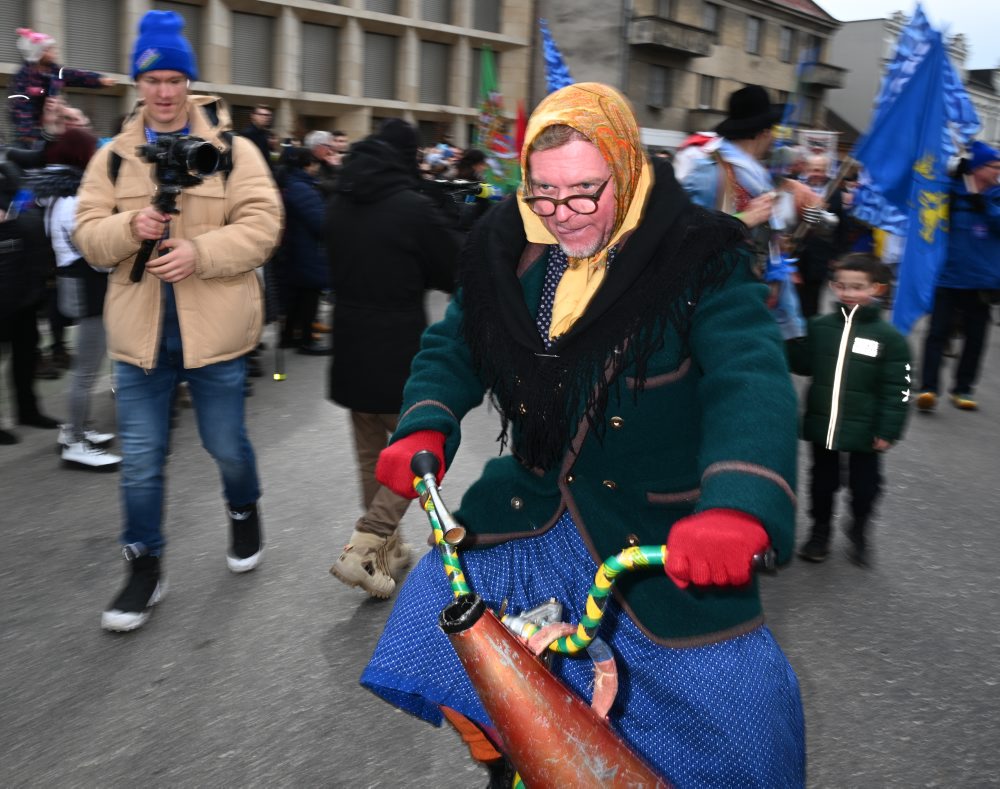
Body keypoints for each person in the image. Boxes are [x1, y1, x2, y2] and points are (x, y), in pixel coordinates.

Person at [360, 83, 804, 786]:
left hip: (658, 528)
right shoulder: (506, 249)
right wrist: (426, 421)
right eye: (543, 193)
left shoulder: (700, 256)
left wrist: (738, 503)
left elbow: (750, 378)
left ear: (626, 168)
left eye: (583, 193)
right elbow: (455, 345)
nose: (560, 216)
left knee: (739, 720)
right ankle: (512, 750)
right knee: (449, 630)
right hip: (534, 516)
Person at [73, 10, 282, 632]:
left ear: (189, 83)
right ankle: (144, 566)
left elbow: (263, 226)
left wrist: (201, 253)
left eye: (174, 78)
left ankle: (243, 509)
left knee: (226, 445)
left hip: (214, 333)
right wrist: (126, 227)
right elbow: (86, 235)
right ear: (138, 84)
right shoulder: (111, 158)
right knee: (141, 458)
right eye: (152, 79)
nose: (164, 91)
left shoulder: (233, 151)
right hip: (138, 340)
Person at [327, 119, 460, 599]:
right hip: (399, 345)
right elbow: (454, 269)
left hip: (349, 343)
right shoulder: (411, 207)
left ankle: (387, 551)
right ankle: (365, 547)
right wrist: (450, 216)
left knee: (371, 456)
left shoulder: (339, 198)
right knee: (417, 452)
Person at [682, 85, 835, 341]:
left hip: (759, 301)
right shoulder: (710, 172)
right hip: (724, 308)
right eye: (773, 130)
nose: (775, 137)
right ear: (763, 132)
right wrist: (744, 220)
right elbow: (685, 235)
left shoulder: (757, 175)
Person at [788, 255, 911, 566]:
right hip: (824, 424)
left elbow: (898, 389)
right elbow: (802, 364)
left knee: (865, 486)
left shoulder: (890, 339)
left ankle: (859, 526)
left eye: (858, 287)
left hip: (866, 430)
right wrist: (784, 340)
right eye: (842, 285)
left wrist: (888, 430)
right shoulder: (819, 327)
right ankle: (820, 531)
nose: (848, 293)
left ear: (877, 289)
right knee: (822, 481)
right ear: (833, 286)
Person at [32, 127, 121, 468]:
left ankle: (76, 428)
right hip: (88, 288)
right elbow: (96, 255)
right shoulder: (74, 200)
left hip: (76, 285)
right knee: (86, 371)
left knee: (86, 367)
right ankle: (75, 441)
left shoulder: (57, 194)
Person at [916, 140, 1000, 412]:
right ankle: (928, 388)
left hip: (982, 281)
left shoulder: (996, 195)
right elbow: (925, 186)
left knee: (975, 338)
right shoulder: (953, 191)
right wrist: (950, 171)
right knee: (937, 333)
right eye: (994, 166)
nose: (998, 171)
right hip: (948, 277)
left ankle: (963, 389)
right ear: (976, 167)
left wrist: (982, 205)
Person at [8, 28, 115, 147]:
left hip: (52, 127)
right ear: (39, 53)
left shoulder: (55, 72)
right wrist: (27, 132)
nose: (55, 52)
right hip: (29, 134)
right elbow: (20, 106)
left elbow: (76, 76)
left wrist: (98, 79)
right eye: (50, 49)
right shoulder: (24, 77)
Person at [277, 147, 330, 356]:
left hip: (294, 249)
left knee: (297, 296)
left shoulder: (291, 184)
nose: (317, 167)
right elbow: (319, 221)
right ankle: (306, 340)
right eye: (315, 163)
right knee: (309, 296)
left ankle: (289, 336)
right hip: (305, 250)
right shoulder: (301, 188)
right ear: (307, 165)